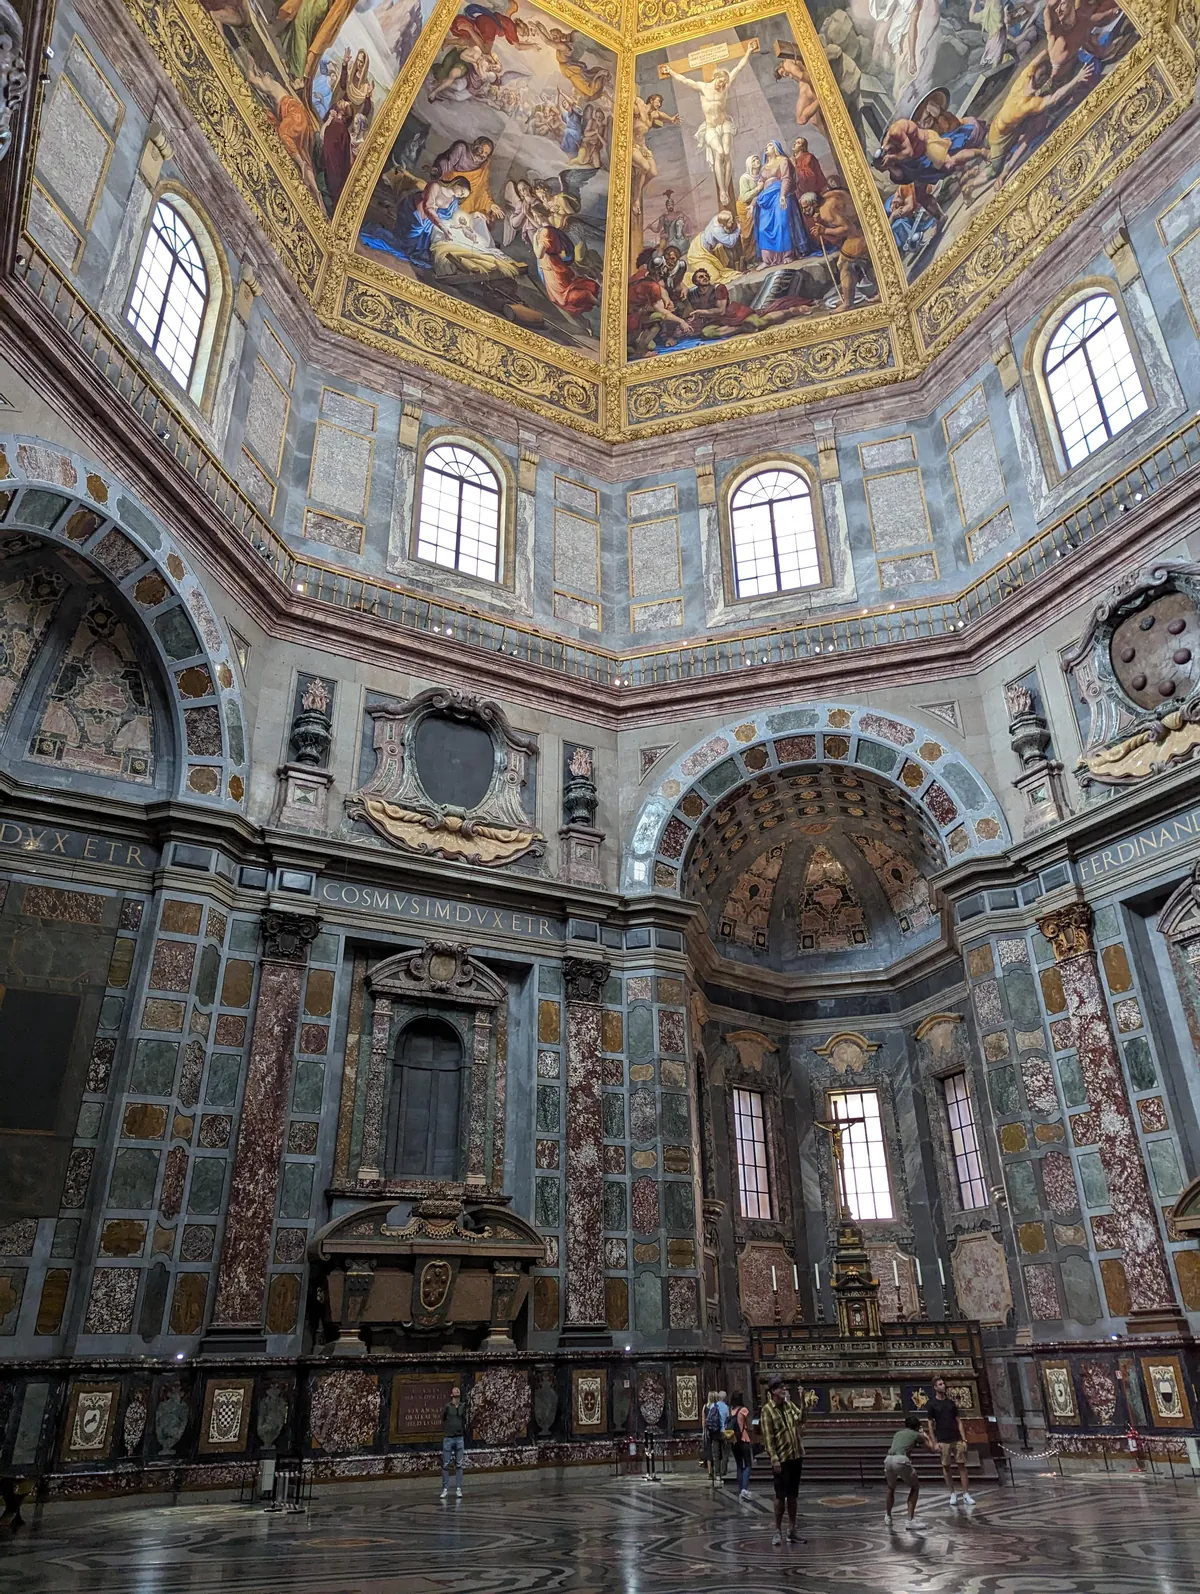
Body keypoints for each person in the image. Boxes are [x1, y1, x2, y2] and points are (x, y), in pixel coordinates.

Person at [759, 1374, 805, 1546]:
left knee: (793, 1495)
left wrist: (803, 1401)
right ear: (772, 1391)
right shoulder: (767, 1411)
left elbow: (801, 1420)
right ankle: (777, 1530)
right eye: (780, 1388)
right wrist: (774, 1459)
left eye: (784, 1388)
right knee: (780, 1496)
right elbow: (768, 1438)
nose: (784, 1390)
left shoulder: (789, 1405)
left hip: (795, 1455)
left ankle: (792, 1530)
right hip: (782, 1459)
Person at [925, 1376, 974, 1506]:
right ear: (935, 1387)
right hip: (943, 1439)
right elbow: (930, 1424)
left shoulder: (950, 1403)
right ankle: (952, 1493)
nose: (943, 1386)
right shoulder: (931, 1404)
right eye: (940, 1384)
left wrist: (964, 1439)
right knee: (946, 1467)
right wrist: (934, 1442)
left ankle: (966, 1493)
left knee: (962, 1465)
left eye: (943, 1384)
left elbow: (958, 1421)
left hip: (956, 1438)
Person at [884, 1414, 937, 1529]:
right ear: (918, 1426)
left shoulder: (898, 1433)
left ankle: (888, 1516)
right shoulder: (917, 1434)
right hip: (900, 1460)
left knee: (890, 1488)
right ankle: (910, 1521)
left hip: (888, 1459)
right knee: (915, 1487)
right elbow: (933, 1449)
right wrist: (926, 1437)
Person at [441, 1384, 466, 1500]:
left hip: (459, 1438)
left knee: (459, 1464)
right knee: (446, 1464)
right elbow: (443, 1417)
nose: (456, 1395)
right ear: (451, 1395)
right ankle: (445, 1488)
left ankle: (458, 1488)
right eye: (455, 1393)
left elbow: (465, 1419)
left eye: (458, 1393)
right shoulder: (447, 1406)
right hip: (449, 1438)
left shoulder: (462, 1406)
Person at [729, 1389, 754, 1501]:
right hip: (743, 1439)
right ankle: (744, 1489)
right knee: (748, 1464)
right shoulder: (743, 1410)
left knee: (739, 1465)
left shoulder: (731, 1410)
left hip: (734, 1440)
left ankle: (740, 1489)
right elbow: (747, 1425)